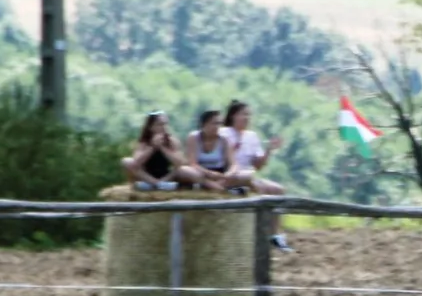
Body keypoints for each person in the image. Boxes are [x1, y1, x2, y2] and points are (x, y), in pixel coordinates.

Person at [218, 99, 294, 253]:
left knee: (278, 190)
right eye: (243, 114)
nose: (247, 118)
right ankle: (258, 230)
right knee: (255, 185)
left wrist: (269, 150)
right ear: (233, 115)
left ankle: (275, 234)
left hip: (249, 175)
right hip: (229, 176)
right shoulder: (224, 133)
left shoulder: (251, 136)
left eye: (249, 115)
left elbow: (257, 164)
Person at [121, 111, 224, 192]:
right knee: (126, 161)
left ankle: (162, 184)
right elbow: (136, 163)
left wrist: (163, 148)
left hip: (168, 176)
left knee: (190, 173)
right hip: (147, 176)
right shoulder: (143, 142)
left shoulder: (172, 141)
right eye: (160, 125)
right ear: (151, 127)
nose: (164, 128)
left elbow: (180, 163)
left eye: (165, 124)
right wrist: (152, 147)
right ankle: (156, 184)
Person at [185, 109, 234, 185]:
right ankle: (209, 185)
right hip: (200, 172)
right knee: (184, 171)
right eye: (214, 123)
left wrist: (228, 174)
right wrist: (209, 173)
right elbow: (192, 163)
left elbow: (233, 164)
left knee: (246, 175)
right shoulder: (194, 137)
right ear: (204, 124)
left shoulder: (224, 139)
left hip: (220, 173)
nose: (217, 127)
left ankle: (219, 184)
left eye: (219, 124)